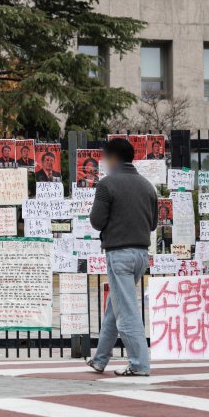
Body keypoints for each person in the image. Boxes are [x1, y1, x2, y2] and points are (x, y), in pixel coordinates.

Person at [86, 137, 157, 377]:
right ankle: (100, 359)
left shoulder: (107, 184)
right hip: (141, 254)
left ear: (113, 158)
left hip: (119, 254)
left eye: (105, 157)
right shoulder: (148, 186)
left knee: (126, 310)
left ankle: (139, 364)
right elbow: (154, 222)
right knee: (114, 306)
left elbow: (96, 221)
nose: (104, 162)